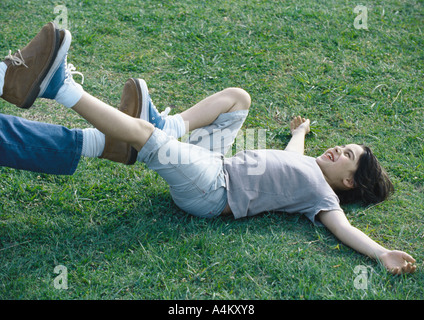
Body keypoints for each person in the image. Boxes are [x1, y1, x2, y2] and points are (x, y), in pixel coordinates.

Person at [0, 23, 416, 275]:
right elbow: (295, 145)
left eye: (346, 156)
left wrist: (382, 254)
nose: (337, 149)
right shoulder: (303, 161)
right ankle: (170, 124)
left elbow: (345, 230)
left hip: (212, 190)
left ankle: (61, 87)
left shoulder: (323, 198)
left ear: (347, 182)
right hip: (217, 160)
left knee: (147, 139)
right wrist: (302, 130)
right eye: (342, 146)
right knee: (239, 99)